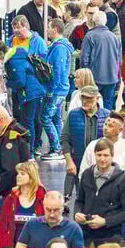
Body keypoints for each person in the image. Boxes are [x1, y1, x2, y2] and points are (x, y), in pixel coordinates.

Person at [75, 139, 125, 248]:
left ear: (112, 156)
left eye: (106, 155)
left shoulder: (123, 180)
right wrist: (77, 213)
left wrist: (105, 221)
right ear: (94, 155)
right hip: (88, 237)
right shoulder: (86, 175)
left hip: (111, 238)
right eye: (99, 155)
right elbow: (79, 201)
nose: (102, 159)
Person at [80, 112, 125, 216]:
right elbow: (83, 172)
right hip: (95, 197)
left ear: (120, 130)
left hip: (119, 198)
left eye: (110, 126)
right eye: (105, 124)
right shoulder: (93, 145)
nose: (106, 128)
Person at [0, 161, 46, 248]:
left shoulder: (43, 197)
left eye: (22, 174)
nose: (18, 176)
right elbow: (2, 226)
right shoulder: (10, 198)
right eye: (18, 173)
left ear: (32, 177)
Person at [15, 191, 85, 248]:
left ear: (63, 208)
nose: (52, 214)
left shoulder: (73, 228)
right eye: (48, 210)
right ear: (43, 207)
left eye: (56, 210)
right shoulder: (32, 224)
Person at [6, 18, 47, 155]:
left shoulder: (38, 42)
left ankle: (33, 147)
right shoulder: (11, 41)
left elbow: (43, 64)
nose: (16, 31)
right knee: (20, 117)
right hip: (20, 89)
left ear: (26, 26)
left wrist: (9, 82)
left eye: (18, 27)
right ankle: (24, 145)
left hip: (31, 88)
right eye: (14, 28)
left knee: (33, 119)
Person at [62, 85, 109, 202]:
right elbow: (65, 139)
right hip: (78, 162)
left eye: (89, 98)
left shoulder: (107, 116)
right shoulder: (73, 115)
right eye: (83, 97)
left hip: (100, 166)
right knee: (81, 197)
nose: (85, 101)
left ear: (97, 98)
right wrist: (69, 161)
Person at [0, 105, 32, 220]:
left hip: (6, 193)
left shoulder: (10, 137)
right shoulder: (13, 132)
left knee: (3, 223)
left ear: (0, 119)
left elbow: (10, 169)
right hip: (12, 191)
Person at [41, 17, 72, 161]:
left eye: (49, 27)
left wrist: (51, 90)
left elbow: (58, 71)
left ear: (55, 29)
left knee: (45, 117)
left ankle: (57, 149)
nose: (47, 30)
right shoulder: (57, 47)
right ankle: (59, 147)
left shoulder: (59, 48)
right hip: (59, 88)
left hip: (57, 90)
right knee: (56, 118)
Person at [80, 10, 122, 110]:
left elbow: (84, 59)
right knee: (108, 105)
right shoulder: (114, 37)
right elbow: (119, 61)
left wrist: (85, 76)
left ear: (93, 21)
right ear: (105, 21)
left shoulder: (90, 36)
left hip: (94, 78)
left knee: (92, 106)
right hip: (112, 77)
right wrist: (118, 78)